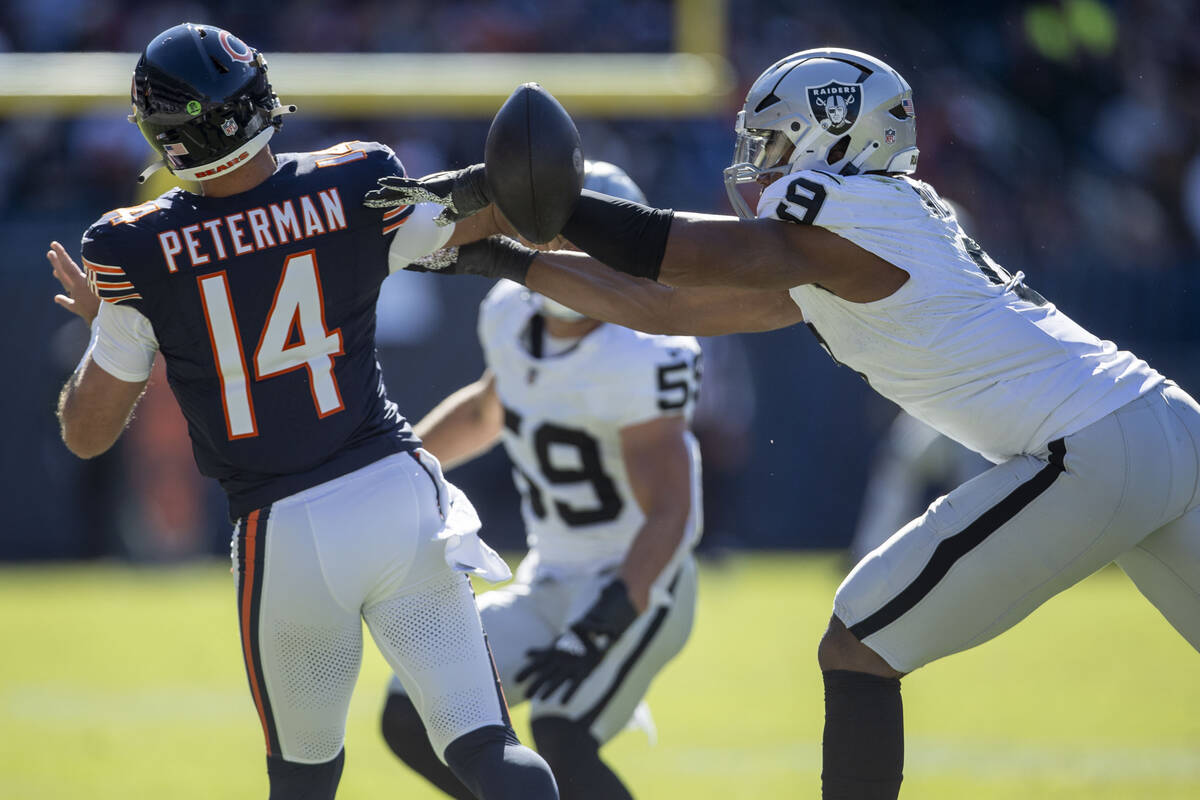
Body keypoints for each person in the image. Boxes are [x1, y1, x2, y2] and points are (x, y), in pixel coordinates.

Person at [367, 47, 1200, 799]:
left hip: (1093, 443)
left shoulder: (858, 208)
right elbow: (658, 306)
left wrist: (549, 205)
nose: (755, 166)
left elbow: (684, 253)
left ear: (833, 139)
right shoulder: (853, 244)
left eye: (771, 144)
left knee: (859, 642)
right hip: (1165, 427)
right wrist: (506, 255)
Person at [48, 22, 557, 800]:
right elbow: (495, 214)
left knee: (304, 780)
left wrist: (112, 334)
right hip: (398, 492)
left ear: (163, 136)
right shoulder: (353, 181)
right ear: (259, 98)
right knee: (486, 744)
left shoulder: (135, 250)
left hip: (282, 528)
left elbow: (86, 434)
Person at [379, 161, 702, 800]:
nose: (565, 255)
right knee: (412, 716)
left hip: (639, 584)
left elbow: (671, 513)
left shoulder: (641, 349)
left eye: (583, 243)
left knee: (562, 732)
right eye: (555, 238)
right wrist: (394, 468)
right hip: (548, 576)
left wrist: (603, 622)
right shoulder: (510, 312)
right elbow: (485, 409)